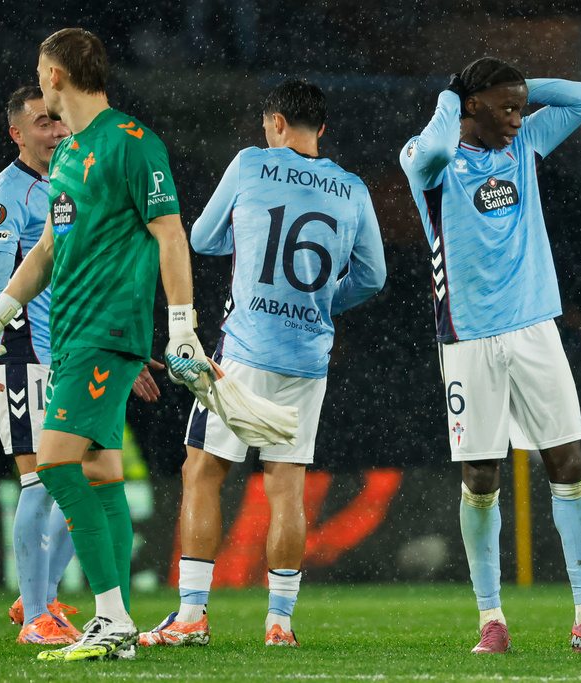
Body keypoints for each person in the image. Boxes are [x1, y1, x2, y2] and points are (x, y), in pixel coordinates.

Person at [0, 27, 208, 661]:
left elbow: (170, 234)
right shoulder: (70, 155)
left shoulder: (134, 143)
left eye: (39, 68)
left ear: (54, 76)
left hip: (107, 335)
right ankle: (118, 622)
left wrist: (181, 323)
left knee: (51, 465)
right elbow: (48, 248)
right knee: (102, 477)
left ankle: (108, 618)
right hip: (70, 337)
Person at [138, 79, 386, 649]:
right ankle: (280, 624)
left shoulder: (252, 164)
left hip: (244, 353)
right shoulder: (351, 188)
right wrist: (323, 304)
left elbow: (199, 237)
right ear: (320, 129)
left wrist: (250, 253)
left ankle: (193, 616)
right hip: (308, 356)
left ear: (275, 123)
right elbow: (373, 276)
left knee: (202, 473)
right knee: (285, 488)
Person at [399, 57, 581, 655]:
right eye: (504, 107)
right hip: (468, 337)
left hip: (535, 328)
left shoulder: (524, 141)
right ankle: (491, 620)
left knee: (569, 461)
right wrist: (451, 95)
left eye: (520, 105)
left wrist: (521, 88)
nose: (517, 116)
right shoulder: (429, 158)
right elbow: (430, 149)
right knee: (482, 475)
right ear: (470, 105)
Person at [0, 84, 81, 645]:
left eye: (58, 121)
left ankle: (37, 595)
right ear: (17, 133)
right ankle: (36, 616)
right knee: (40, 482)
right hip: (23, 352)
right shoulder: (5, 194)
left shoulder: (68, 183)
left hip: (67, 350)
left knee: (84, 478)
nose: (56, 131)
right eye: (43, 123)